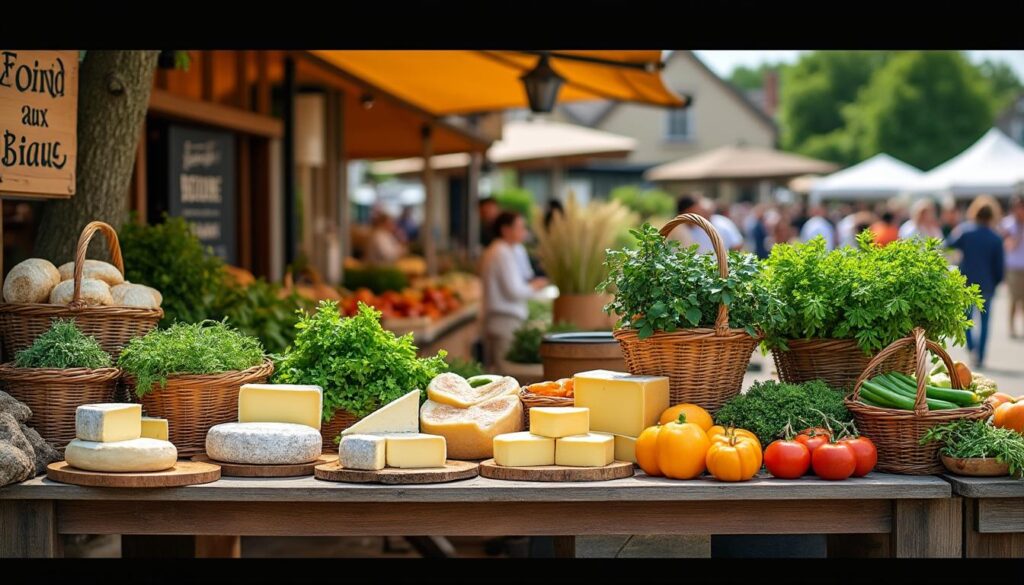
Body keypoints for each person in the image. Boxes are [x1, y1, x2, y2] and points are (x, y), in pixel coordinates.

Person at [479, 211, 549, 368]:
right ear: (505, 230)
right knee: (503, 373)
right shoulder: (500, 252)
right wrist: (535, 286)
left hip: (507, 320)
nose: (524, 232)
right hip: (503, 321)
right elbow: (514, 291)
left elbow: (526, 276)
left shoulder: (512, 249)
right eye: (519, 227)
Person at [947, 196, 1005, 368]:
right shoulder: (996, 237)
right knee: (985, 321)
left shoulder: (965, 231)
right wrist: (997, 282)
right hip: (987, 284)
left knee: (967, 319)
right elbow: (1000, 266)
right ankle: (980, 355)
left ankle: (971, 347)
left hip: (967, 282)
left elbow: (949, 243)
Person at [1001, 195, 1024, 338]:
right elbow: (1007, 246)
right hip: (1013, 267)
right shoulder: (1007, 224)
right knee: (1014, 299)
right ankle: (1011, 328)